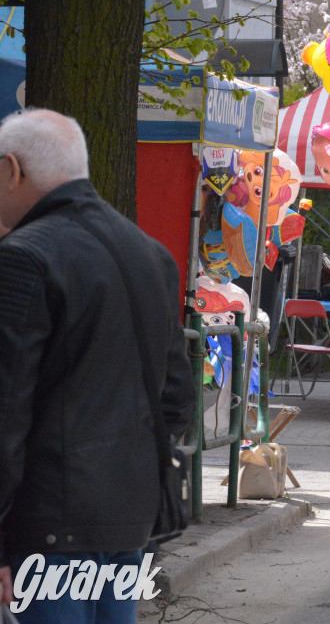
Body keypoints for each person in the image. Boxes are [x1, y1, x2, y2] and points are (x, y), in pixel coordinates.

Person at [0, 109, 195, 622]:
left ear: (11, 169)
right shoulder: (151, 253)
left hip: (48, 522)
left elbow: (5, 409)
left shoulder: (25, 256)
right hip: (131, 515)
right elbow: (178, 400)